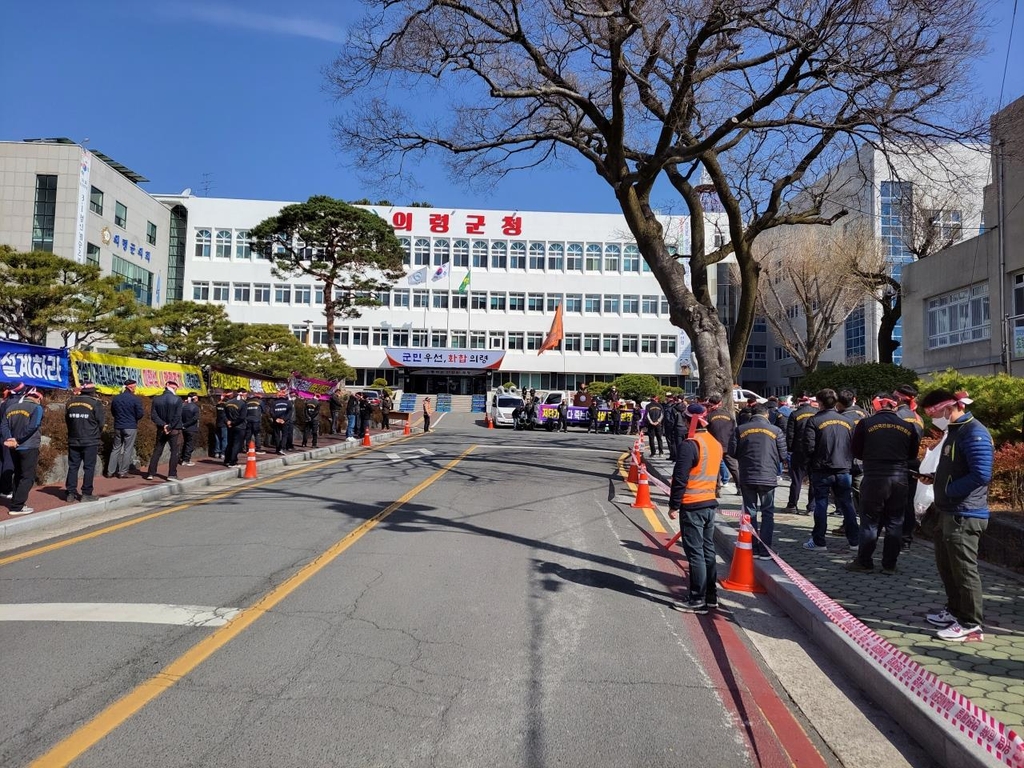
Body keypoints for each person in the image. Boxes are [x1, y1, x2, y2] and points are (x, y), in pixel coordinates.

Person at [919, 389, 993, 642]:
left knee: (963, 569)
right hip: (948, 510)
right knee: (947, 566)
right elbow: (955, 468)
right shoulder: (954, 431)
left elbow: (981, 474)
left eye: (934, 414)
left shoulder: (975, 433)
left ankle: (971, 623)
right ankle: (954, 610)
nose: (932, 420)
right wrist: (935, 479)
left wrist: (949, 490)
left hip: (965, 512)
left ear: (949, 408)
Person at [845, 393, 921, 575]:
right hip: (900, 477)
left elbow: (856, 450)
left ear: (877, 406)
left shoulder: (866, 424)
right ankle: (890, 564)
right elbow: (912, 453)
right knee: (895, 521)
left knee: (870, 521)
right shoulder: (908, 426)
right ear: (895, 406)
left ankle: (864, 561)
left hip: (874, 476)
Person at [667, 403, 723, 613]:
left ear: (687, 420)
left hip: (692, 504)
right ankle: (711, 596)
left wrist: (674, 504)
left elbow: (680, 478)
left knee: (695, 553)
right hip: (709, 502)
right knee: (708, 550)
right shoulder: (714, 443)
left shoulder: (691, 444)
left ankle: (696, 598)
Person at [729, 403, 788, 559]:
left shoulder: (740, 430)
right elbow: (783, 455)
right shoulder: (776, 431)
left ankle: (752, 547)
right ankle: (765, 549)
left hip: (747, 475)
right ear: (767, 414)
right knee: (768, 513)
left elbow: (732, 452)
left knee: (750, 512)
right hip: (768, 476)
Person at [802, 388, 858, 551]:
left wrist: (809, 467)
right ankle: (854, 541)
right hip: (843, 469)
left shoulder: (814, 421)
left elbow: (809, 447)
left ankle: (819, 541)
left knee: (821, 504)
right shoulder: (847, 421)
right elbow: (853, 445)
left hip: (822, 469)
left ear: (819, 403)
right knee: (847, 504)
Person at [1, 387, 44, 515]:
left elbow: (3, 425)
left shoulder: (10, 408)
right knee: (28, 477)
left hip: (13, 446)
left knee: (18, 475)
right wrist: (18, 440)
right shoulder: (37, 408)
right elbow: (33, 425)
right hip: (28, 446)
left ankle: (16, 501)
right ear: (38, 398)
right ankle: (17, 506)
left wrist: (10, 438)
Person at [894, 384, 925, 551]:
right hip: (913, 463)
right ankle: (906, 539)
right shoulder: (917, 418)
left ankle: (895, 537)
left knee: (895, 503)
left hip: (898, 464)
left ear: (899, 398)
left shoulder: (896, 416)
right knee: (908, 503)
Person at [65, 382, 106, 502]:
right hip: (90, 439)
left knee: (73, 466)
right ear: (93, 391)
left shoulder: (70, 402)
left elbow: (67, 420)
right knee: (89, 467)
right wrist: (96, 433)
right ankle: (86, 493)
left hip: (73, 438)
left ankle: (70, 493)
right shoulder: (95, 403)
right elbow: (101, 422)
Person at [784, 395, 817, 513]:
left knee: (797, 479)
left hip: (799, 450)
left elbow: (790, 435)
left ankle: (792, 505)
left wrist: (790, 449)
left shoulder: (794, 414)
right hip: (814, 451)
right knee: (814, 480)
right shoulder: (817, 413)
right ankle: (812, 507)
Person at [146, 380, 184, 481]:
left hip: (161, 429)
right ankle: (172, 474)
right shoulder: (177, 399)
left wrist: (163, 425)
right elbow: (177, 416)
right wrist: (170, 426)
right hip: (174, 429)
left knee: (157, 450)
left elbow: (154, 415)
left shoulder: (156, 399)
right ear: (174, 388)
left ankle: (151, 473)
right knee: (175, 451)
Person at [109, 379, 144, 478]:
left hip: (118, 425)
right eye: (135, 386)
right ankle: (123, 472)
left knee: (115, 448)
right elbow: (140, 414)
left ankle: (110, 471)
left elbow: (113, 412)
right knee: (127, 449)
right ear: (131, 387)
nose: (135, 388)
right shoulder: (135, 399)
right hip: (130, 426)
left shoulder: (116, 398)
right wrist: (133, 418)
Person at [706, 394, 740, 495]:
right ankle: (740, 488)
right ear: (720, 403)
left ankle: (717, 490)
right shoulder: (729, 415)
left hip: (714, 446)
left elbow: (706, 431)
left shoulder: (709, 416)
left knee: (715, 468)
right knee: (734, 468)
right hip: (728, 445)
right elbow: (734, 430)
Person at [223, 390, 247, 467]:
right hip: (239, 426)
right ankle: (232, 461)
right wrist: (233, 423)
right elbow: (242, 417)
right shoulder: (243, 403)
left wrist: (228, 422)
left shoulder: (227, 403)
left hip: (230, 426)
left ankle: (226, 460)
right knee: (237, 444)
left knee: (230, 443)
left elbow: (223, 415)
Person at [180, 393, 200, 466]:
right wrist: (186, 424)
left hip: (184, 428)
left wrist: (183, 425)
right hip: (192, 428)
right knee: (190, 444)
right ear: (194, 399)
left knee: (186, 443)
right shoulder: (195, 407)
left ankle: (183, 458)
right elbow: (195, 418)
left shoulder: (183, 406)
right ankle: (186, 460)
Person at [270, 389, 294, 454]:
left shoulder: (274, 403)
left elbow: (271, 412)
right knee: (284, 435)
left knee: (277, 435)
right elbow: (290, 413)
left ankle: (277, 449)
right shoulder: (288, 403)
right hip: (285, 422)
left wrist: (276, 419)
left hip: (276, 421)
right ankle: (282, 448)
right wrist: (284, 419)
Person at [213, 391, 228, 459]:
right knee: (224, 439)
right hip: (224, 424)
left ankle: (217, 452)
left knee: (217, 439)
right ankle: (223, 453)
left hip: (217, 423)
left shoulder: (218, 405)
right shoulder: (226, 406)